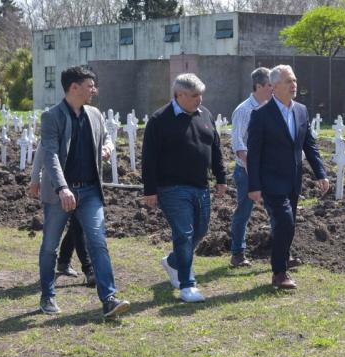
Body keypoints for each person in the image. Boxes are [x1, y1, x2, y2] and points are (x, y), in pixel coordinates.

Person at [26, 65, 130, 318]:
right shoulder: (52, 116)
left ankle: (109, 299)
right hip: (59, 193)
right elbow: (50, 154)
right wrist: (62, 188)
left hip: (91, 190)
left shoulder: (94, 114)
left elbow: (107, 138)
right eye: (90, 85)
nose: (94, 89)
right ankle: (48, 295)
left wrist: (108, 147)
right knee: (50, 246)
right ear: (74, 87)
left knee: (98, 241)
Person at [141, 73, 227, 303]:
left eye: (200, 95)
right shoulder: (160, 120)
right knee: (184, 233)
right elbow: (149, 158)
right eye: (194, 95)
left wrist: (221, 178)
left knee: (200, 231)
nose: (199, 99)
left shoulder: (205, 115)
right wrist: (149, 190)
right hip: (172, 188)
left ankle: (172, 262)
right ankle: (187, 285)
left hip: (201, 186)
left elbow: (215, 148)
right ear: (179, 95)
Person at [246, 64, 329, 290]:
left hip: (293, 180)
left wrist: (320, 173)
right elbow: (253, 154)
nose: (294, 85)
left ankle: (281, 266)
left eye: (294, 80)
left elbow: (309, 145)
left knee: (288, 226)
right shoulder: (261, 115)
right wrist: (254, 185)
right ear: (274, 87)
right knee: (284, 221)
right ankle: (279, 273)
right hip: (270, 181)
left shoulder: (301, 110)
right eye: (288, 82)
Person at [29, 144, 96, 289]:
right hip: (59, 186)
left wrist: (108, 147)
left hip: (83, 184)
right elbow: (43, 147)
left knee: (77, 225)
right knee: (74, 228)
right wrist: (35, 177)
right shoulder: (57, 122)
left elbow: (104, 135)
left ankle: (65, 260)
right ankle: (88, 268)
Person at [227, 67, 273, 267]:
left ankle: (280, 252)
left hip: (269, 170)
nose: (274, 88)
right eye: (271, 85)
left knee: (276, 210)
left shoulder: (272, 107)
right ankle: (237, 253)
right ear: (259, 86)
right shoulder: (244, 110)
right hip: (246, 172)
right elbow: (239, 145)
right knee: (244, 212)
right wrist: (252, 170)